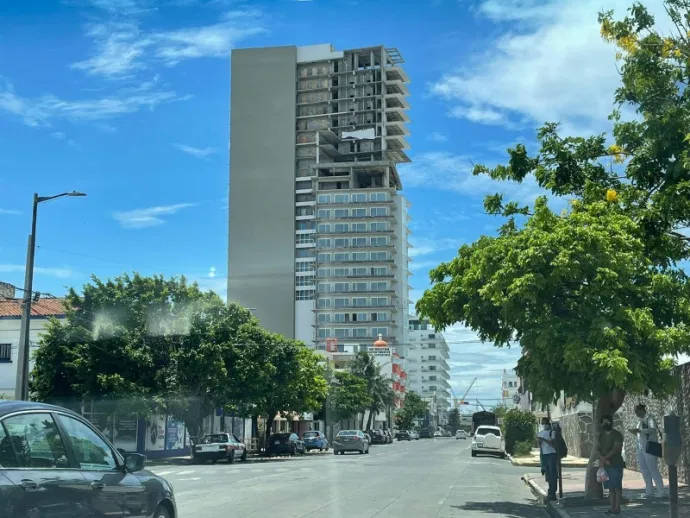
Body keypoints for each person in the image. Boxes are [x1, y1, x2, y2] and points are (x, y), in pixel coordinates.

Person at [628, 403, 665, 498]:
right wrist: (636, 432)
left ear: (642, 410)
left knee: (653, 469)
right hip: (641, 448)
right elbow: (640, 435)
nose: (636, 414)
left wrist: (640, 431)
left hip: (650, 447)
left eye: (637, 412)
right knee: (644, 470)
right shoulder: (640, 422)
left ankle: (661, 491)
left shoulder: (650, 419)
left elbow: (652, 430)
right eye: (635, 412)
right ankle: (649, 491)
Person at [598, 415, 624, 515]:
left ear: (611, 422)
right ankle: (612, 508)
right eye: (604, 422)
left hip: (616, 464)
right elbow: (598, 449)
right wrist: (603, 459)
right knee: (610, 488)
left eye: (608, 422)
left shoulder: (617, 434)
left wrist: (605, 459)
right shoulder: (601, 435)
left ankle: (617, 508)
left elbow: (616, 448)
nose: (606, 424)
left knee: (617, 487)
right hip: (606, 465)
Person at [537, 417, 558, 501]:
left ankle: (552, 493)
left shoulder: (552, 432)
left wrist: (543, 439)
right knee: (548, 474)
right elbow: (540, 447)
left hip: (552, 454)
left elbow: (552, 444)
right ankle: (550, 492)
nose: (544, 425)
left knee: (553, 474)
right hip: (544, 455)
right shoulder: (540, 433)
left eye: (545, 423)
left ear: (548, 423)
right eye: (543, 423)